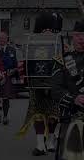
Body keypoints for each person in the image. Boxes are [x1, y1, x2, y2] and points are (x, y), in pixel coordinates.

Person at [17, 12, 62, 156]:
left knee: (53, 114)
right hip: (36, 83)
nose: (47, 31)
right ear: (40, 29)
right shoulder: (31, 42)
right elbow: (26, 62)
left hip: (54, 84)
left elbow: (63, 62)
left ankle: (49, 141)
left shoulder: (59, 42)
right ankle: (39, 144)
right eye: (44, 29)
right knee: (37, 114)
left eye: (49, 29)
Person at [51, 19, 84, 159]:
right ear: (73, 37)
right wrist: (74, 99)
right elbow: (55, 89)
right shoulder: (63, 60)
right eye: (78, 35)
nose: (82, 38)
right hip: (71, 118)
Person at [0, 31, 18, 125]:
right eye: (0, 38)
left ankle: (5, 116)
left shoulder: (12, 50)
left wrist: (13, 71)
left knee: (5, 98)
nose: (1, 40)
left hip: (7, 76)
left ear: (6, 39)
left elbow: (15, 65)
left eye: (3, 38)